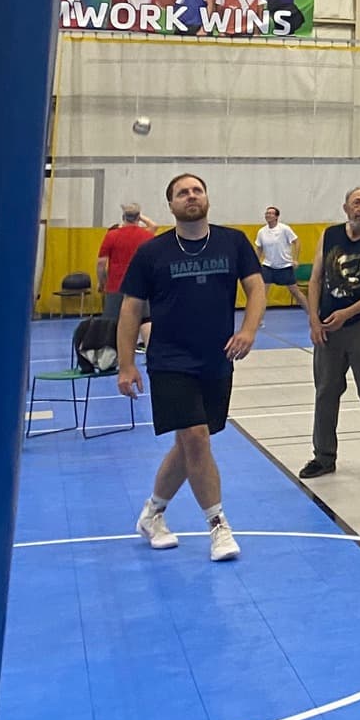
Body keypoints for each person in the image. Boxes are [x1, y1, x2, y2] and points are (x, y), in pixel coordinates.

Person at [116, 172, 265, 562]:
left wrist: (249, 330)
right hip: (169, 360)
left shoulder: (233, 242)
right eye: (182, 193)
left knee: (189, 445)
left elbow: (256, 288)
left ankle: (153, 513)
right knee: (196, 437)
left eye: (197, 189)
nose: (191, 196)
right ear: (170, 205)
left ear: (207, 198)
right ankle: (218, 526)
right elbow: (131, 308)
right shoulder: (153, 252)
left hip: (218, 359)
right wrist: (126, 363)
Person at [299, 187, 360, 481]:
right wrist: (314, 320)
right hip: (329, 326)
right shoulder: (330, 236)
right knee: (325, 391)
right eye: (357, 202)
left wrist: (347, 314)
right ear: (346, 207)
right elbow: (316, 278)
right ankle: (323, 457)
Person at [97, 202, 157, 352]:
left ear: (123, 217)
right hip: (141, 286)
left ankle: (110, 354)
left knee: (111, 322)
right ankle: (151, 351)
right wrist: (138, 213)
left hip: (116, 285)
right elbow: (153, 225)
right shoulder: (147, 236)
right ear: (138, 217)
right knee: (146, 320)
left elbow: (101, 264)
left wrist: (102, 282)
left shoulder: (112, 235)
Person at [254, 206, 299, 309]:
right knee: (262, 293)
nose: (268, 215)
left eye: (271, 213)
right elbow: (259, 248)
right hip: (268, 266)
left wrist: (295, 259)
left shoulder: (284, 229)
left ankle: (310, 313)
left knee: (296, 293)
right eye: (267, 213)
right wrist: (256, 261)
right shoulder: (261, 232)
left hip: (285, 266)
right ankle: (258, 319)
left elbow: (296, 241)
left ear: (276, 217)